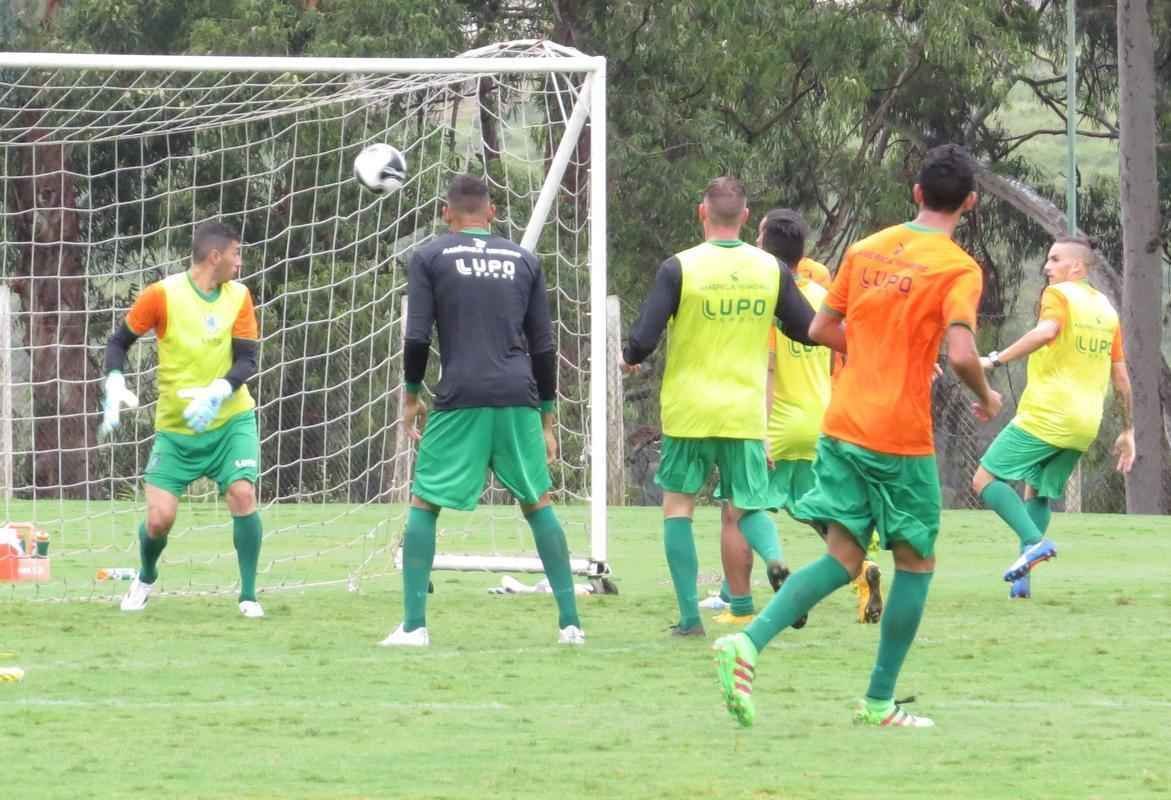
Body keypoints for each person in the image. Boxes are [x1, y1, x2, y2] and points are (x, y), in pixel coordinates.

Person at [713, 144, 1002, 729]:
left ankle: (748, 643)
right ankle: (877, 702)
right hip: (898, 435)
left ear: (916, 193)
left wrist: (875, 352)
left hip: (842, 425)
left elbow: (820, 327)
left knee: (844, 557)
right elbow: (963, 352)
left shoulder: (866, 249)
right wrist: (987, 396)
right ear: (969, 203)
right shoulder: (958, 268)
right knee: (916, 564)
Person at [380, 174, 583, 647]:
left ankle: (414, 627)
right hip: (518, 396)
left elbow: (416, 337)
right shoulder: (524, 259)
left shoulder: (429, 256)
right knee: (538, 503)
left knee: (425, 502)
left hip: (461, 397)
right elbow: (545, 345)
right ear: (491, 213)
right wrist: (548, 419)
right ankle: (571, 623)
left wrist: (410, 397)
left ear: (446, 214)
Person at [622, 177, 824, 637]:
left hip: (690, 411)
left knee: (678, 507)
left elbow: (644, 338)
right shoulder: (771, 268)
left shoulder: (679, 268)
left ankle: (690, 620)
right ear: (747, 217)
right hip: (744, 411)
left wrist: (630, 358)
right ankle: (776, 562)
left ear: (702, 213)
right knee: (749, 506)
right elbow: (805, 328)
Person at [708, 209, 883, 627]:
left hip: (779, 424)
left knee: (739, 508)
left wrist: (763, 432)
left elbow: (768, 372)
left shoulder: (769, 299)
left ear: (763, 244)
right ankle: (864, 577)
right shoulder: (822, 298)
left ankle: (742, 602)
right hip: (822, 420)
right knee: (818, 514)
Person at [101, 220, 265, 617]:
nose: (240, 264)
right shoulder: (162, 295)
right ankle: (146, 575)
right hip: (177, 429)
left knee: (242, 493)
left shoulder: (239, 296)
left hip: (230, 421)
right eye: (236, 254)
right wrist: (115, 382)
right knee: (159, 520)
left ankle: (248, 595)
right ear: (215, 257)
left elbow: (247, 359)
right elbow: (119, 341)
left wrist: (218, 391)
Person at [972, 235, 1134, 598]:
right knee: (1039, 492)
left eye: (1055, 259)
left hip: (1048, 414)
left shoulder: (1059, 295)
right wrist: (1128, 430)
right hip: (1085, 424)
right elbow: (1121, 377)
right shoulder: (1107, 310)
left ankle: (1034, 542)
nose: (1047, 267)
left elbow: (1047, 331)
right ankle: (1022, 584)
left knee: (984, 479)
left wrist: (995, 359)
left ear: (1076, 267)